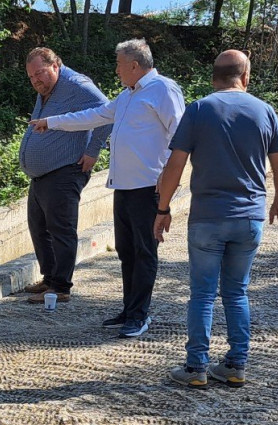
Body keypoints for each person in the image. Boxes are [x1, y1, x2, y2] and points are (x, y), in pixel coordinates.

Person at [152, 50, 278, 388]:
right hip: (249, 219)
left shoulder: (199, 109)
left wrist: (163, 208)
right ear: (246, 76)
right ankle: (235, 365)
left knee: (202, 294)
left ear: (213, 77)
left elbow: (175, 165)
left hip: (208, 218)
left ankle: (196, 367)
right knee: (236, 293)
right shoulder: (265, 111)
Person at [32, 39, 184, 338]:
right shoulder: (128, 96)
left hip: (148, 186)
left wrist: (167, 178)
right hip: (124, 187)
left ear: (134, 65)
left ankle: (140, 316)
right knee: (127, 252)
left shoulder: (163, 89)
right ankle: (129, 309)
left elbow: (180, 135)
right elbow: (94, 116)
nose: (116, 71)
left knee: (144, 252)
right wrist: (51, 122)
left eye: (118, 65)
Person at [18, 47, 111, 305]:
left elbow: (107, 111)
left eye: (40, 74)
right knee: (39, 228)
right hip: (43, 175)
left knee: (61, 229)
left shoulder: (77, 85)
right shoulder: (48, 89)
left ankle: (60, 287)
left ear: (56, 66)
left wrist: (93, 151)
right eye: (31, 77)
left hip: (66, 169)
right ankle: (50, 278)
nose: (36, 81)